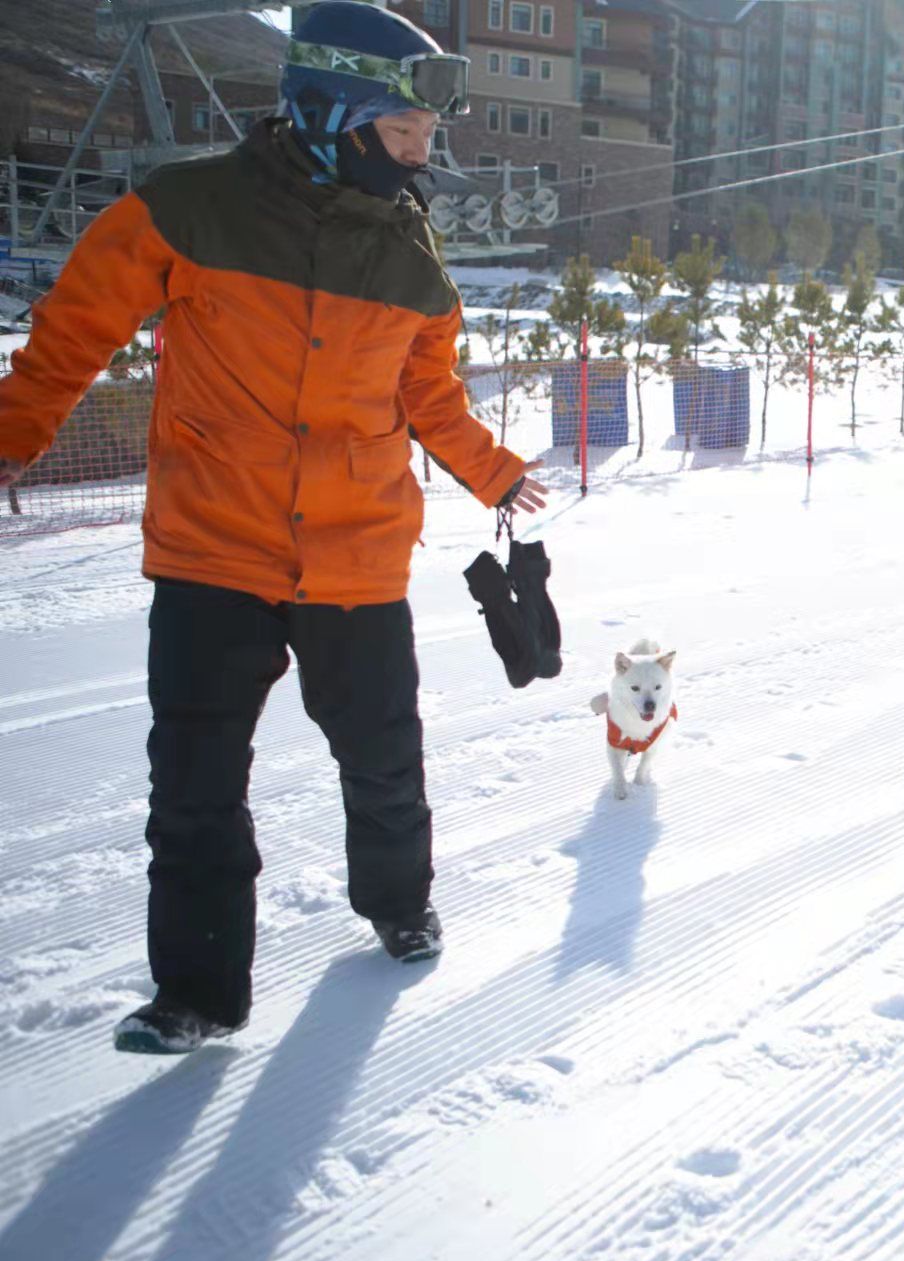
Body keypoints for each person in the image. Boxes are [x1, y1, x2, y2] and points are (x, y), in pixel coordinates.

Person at [0, 2, 547, 1053]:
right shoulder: (188, 209)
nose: (424, 152)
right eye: (406, 131)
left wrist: (496, 472)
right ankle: (195, 991)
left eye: (424, 136)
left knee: (382, 754)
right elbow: (74, 329)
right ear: (333, 111)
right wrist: (12, 431)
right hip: (214, 550)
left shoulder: (410, 259)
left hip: (356, 550)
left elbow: (429, 397)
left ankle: (398, 900)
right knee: (196, 781)